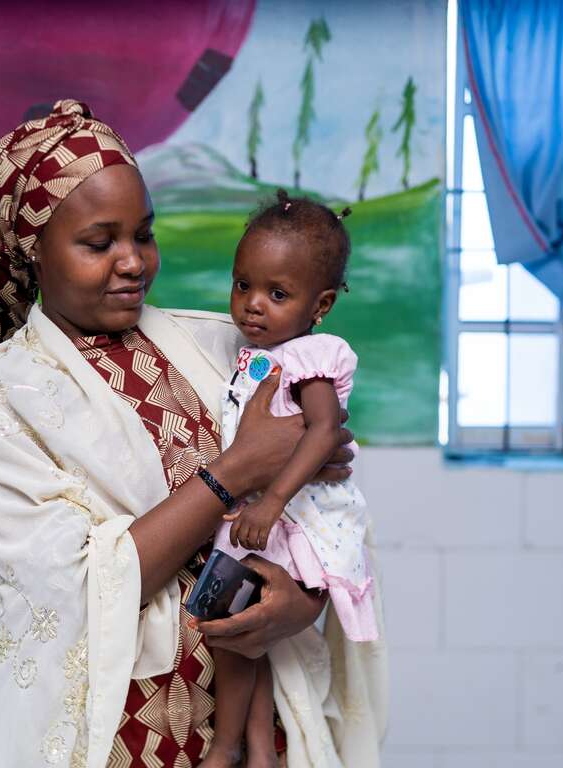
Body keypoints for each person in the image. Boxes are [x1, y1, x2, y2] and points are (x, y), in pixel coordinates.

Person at [0, 99, 387, 768]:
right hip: (117, 738)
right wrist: (237, 468)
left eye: (142, 235)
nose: (133, 262)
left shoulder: (222, 343)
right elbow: (74, 591)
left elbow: (326, 503)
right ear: (36, 251)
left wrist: (303, 599)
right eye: (98, 242)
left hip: (260, 724)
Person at [201, 191, 380, 768]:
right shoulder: (256, 351)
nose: (253, 306)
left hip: (294, 515)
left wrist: (271, 502)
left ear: (320, 304)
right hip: (263, 508)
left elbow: (325, 432)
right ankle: (254, 746)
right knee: (245, 637)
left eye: (277, 294)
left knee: (237, 627)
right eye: (242, 285)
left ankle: (228, 747)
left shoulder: (310, 356)